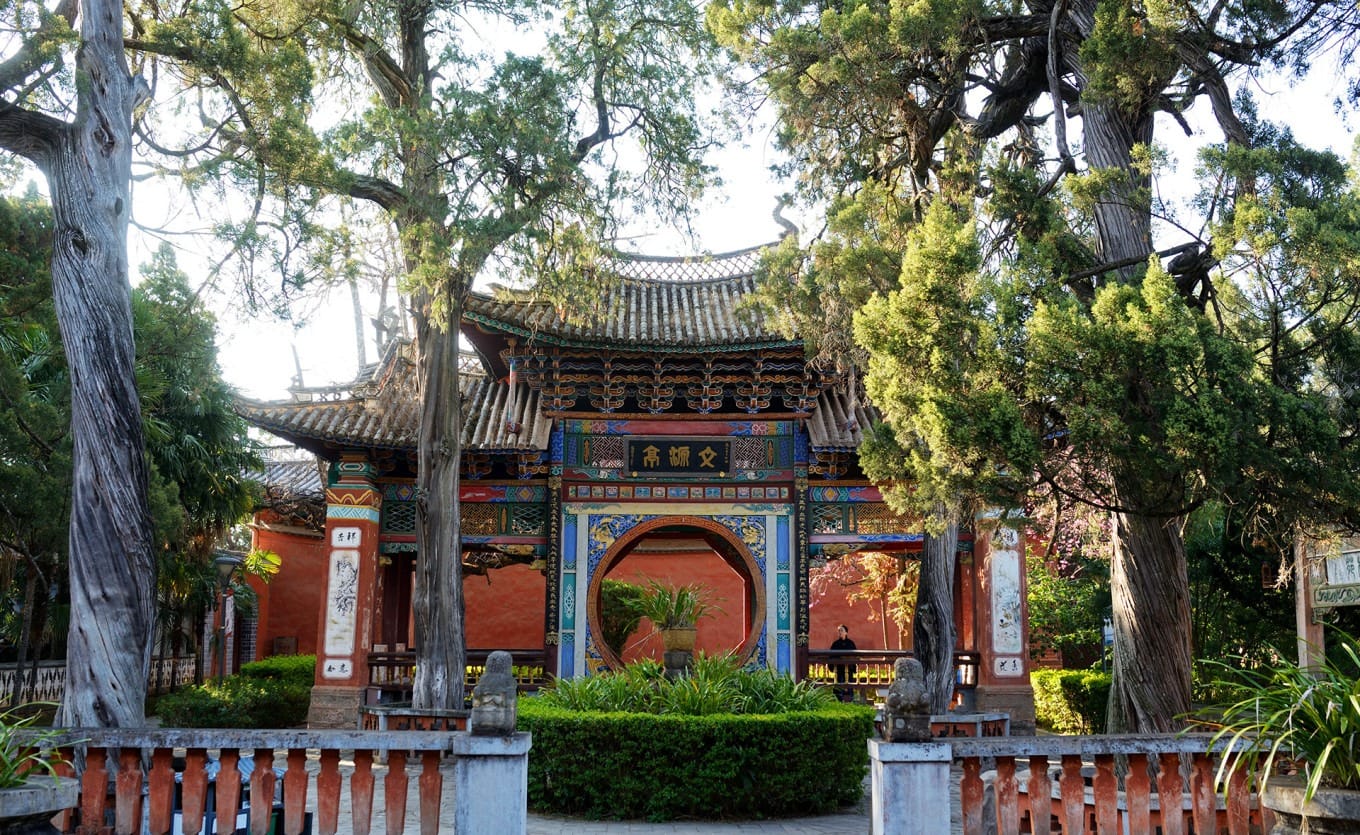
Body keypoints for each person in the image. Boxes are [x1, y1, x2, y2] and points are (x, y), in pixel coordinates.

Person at [830, 623, 857, 702]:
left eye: (841, 630)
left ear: (846, 632)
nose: (840, 632)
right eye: (839, 631)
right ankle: (838, 700)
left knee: (849, 685)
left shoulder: (851, 643)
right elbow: (831, 656)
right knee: (838, 685)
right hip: (839, 669)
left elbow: (855, 655)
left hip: (849, 669)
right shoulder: (835, 644)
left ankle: (849, 699)